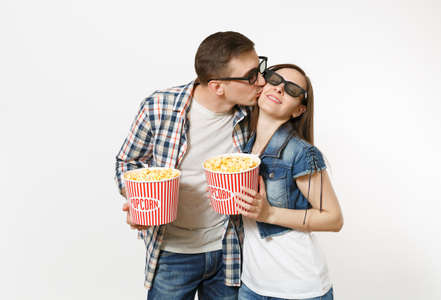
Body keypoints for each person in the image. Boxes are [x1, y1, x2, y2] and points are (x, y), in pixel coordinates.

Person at [114, 31, 266, 299]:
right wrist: (136, 201)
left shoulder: (254, 113)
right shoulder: (159, 107)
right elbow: (128, 160)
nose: (261, 81)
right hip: (173, 250)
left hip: (228, 248)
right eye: (251, 75)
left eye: (260, 67)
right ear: (217, 86)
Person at [235, 64, 344, 300]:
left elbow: (334, 219)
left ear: (298, 110)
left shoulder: (301, 152)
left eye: (293, 90)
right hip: (251, 286)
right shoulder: (244, 147)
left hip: (299, 289)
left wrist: (269, 214)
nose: (280, 88)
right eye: (274, 79)